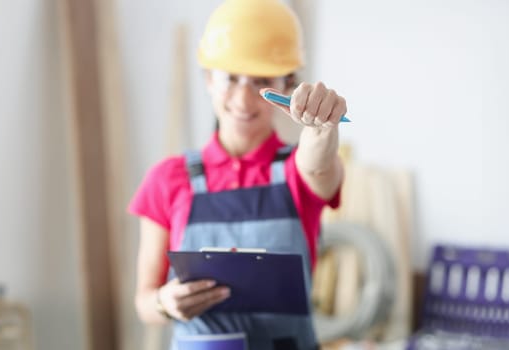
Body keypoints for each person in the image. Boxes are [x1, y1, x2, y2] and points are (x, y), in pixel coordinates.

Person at [128, 0, 347, 348]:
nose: (244, 99)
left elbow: (319, 165)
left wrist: (322, 129)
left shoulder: (296, 170)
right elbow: (144, 303)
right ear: (208, 79)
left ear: (287, 85)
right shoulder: (166, 179)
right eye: (230, 78)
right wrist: (164, 303)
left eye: (262, 81)